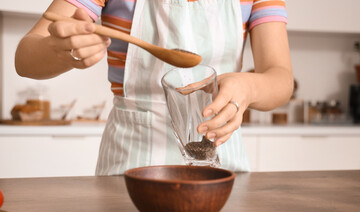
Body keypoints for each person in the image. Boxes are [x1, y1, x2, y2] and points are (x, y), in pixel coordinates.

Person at [15, 0, 293, 175]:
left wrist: (248, 87)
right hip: (129, 168)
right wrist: (62, 50)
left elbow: (281, 79)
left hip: (223, 168)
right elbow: (25, 57)